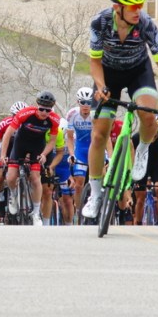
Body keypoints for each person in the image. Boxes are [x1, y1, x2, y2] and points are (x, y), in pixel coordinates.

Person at [81, 0, 158, 221]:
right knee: (99, 134)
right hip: (108, 75)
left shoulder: (146, 25)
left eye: (140, 5)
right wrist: (100, 87)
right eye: (133, 6)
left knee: (147, 114)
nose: (138, 11)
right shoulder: (99, 23)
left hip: (138, 72)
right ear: (117, 8)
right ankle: (96, 193)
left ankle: (142, 148)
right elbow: (94, 61)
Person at [0, 91, 62, 226]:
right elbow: (8, 134)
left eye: (48, 110)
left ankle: (36, 213)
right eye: (41, 109)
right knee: (10, 177)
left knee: (35, 178)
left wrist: (44, 154)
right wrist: (3, 155)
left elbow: (52, 141)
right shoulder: (25, 113)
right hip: (20, 143)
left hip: (37, 146)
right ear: (36, 106)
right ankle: (13, 195)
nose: (44, 112)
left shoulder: (54, 120)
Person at [130, 126, 158, 225]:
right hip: (141, 164)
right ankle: (139, 222)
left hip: (155, 164)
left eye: (156, 135)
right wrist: (133, 174)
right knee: (140, 199)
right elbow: (131, 157)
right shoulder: (137, 137)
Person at [64, 87, 95, 222]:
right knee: (78, 184)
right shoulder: (72, 114)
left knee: (100, 179)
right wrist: (71, 155)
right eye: (83, 102)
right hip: (80, 150)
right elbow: (70, 138)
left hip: (95, 149)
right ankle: (79, 211)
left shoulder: (96, 114)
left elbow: (102, 138)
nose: (86, 106)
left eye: (89, 102)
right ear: (78, 102)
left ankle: (98, 202)